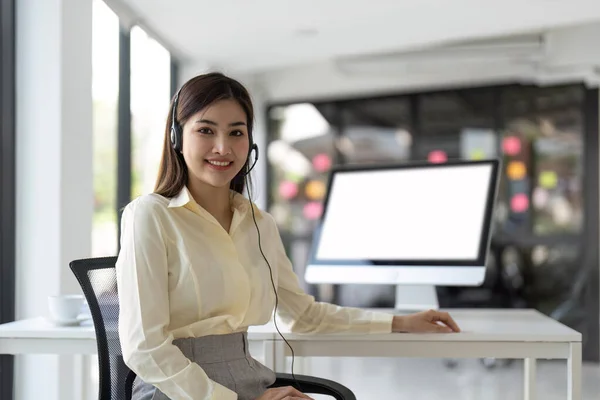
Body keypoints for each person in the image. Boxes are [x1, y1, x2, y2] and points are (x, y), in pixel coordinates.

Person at [115, 72, 461, 400]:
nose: (223, 147)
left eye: (236, 133)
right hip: (180, 390)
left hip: (250, 378)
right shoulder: (151, 216)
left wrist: (400, 322)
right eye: (206, 130)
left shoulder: (259, 223)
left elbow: (303, 315)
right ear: (176, 137)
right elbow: (144, 347)